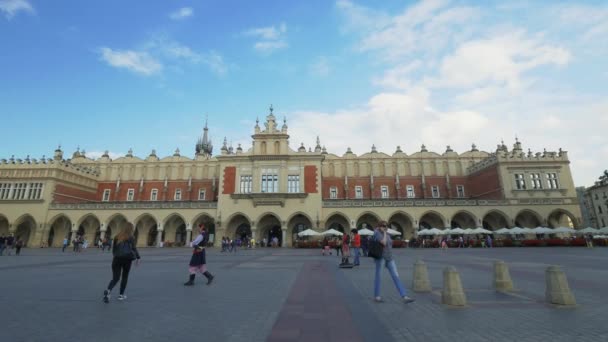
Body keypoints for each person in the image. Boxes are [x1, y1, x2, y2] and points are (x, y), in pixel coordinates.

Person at [372, 221, 414, 304]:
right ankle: (377, 296)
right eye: (384, 226)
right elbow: (383, 242)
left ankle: (404, 296)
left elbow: (390, 243)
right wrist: (384, 233)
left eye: (386, 226)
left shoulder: (387, 234)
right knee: (379, 276)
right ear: (379, 226)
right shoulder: (377, 233)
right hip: (381, 258)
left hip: (390, 258)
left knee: (396, 276)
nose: (385, 227)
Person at [102, 223, 140, 303]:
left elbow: (114, 249)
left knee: (115, 278)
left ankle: (108, 290)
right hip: (127, 259)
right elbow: (133, 248)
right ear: (131, 229)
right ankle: (121, 295)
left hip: (117, 259)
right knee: (124, 277)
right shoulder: (131, 237)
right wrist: (138, 257)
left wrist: (116, 256)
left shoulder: (117, 236)